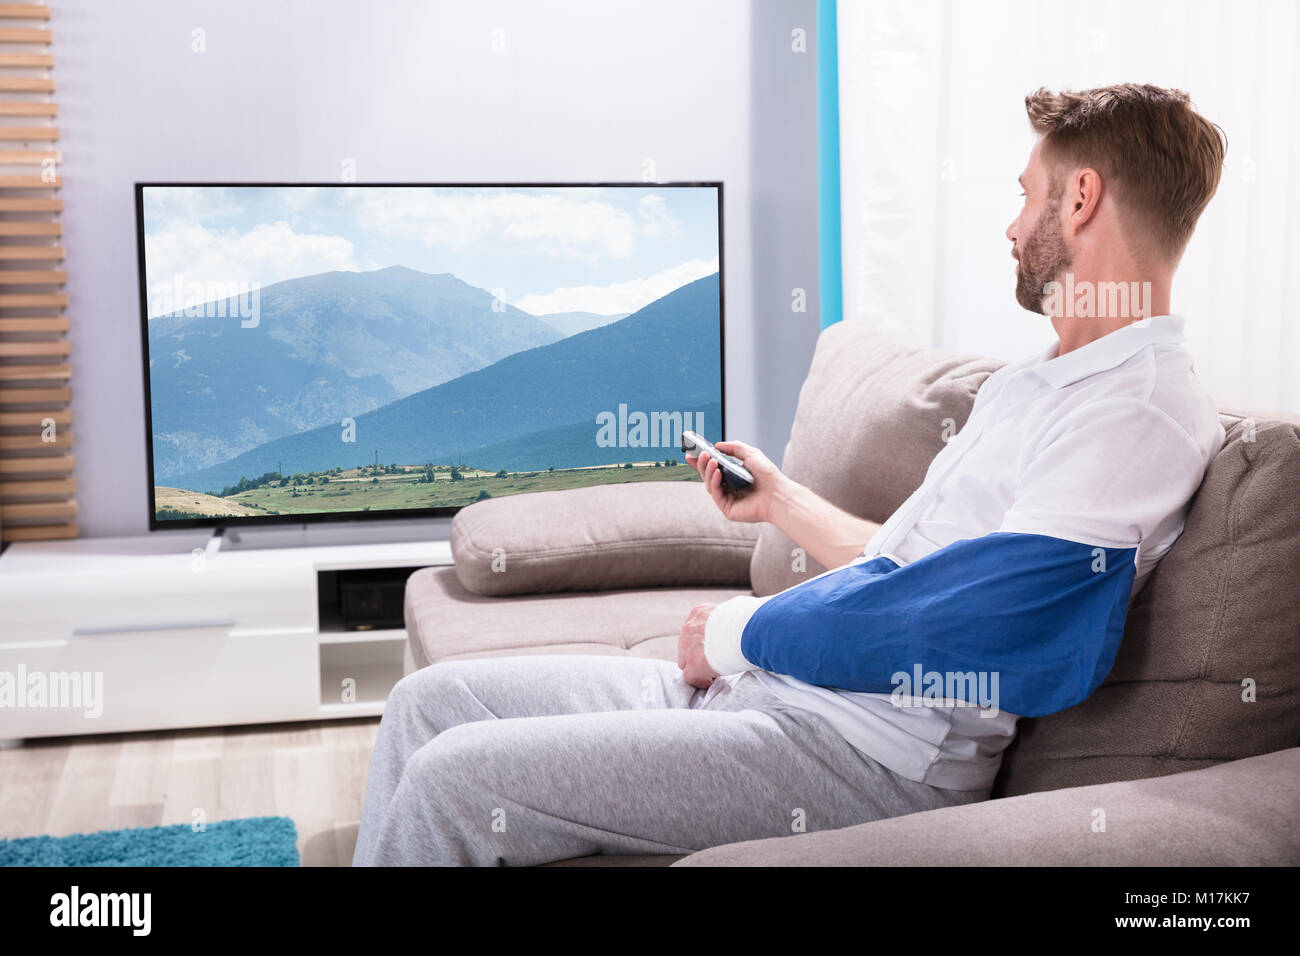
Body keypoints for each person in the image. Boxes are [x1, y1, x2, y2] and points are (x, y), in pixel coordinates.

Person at [353, 83, 1227, 867]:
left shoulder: (1135, 408)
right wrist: (779, 500)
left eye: (1027, 195)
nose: (1012, 226)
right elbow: (910, 572)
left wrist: (744, 629)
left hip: (863, 754)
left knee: (454, 781)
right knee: (429, 705)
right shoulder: (1043, 379)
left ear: (1080, 199)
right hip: (774, 694)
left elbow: (1007, 628)